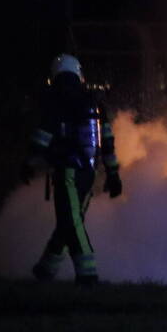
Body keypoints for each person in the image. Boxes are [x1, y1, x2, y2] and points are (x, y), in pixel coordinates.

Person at [22, 53, 122, 285]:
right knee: (68, 222)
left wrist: (29, 162)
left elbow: (43, 135)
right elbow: (107, 141)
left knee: (71, 224)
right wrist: (114, 174)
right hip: (89, 172)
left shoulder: (57, 100)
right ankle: (45, 271)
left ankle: (88, 276)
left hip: (67, 172)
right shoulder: (94, 102)